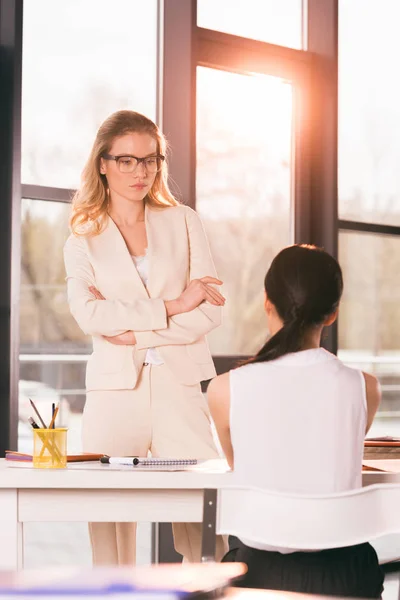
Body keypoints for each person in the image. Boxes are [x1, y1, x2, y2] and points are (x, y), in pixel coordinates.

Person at [63, 109, 228, 565]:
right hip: (114, 390)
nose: (141, 171)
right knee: (109, 521)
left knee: (204, 510)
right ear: (103, 163)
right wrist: (174, 305)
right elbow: (89, 314)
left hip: (180, 385)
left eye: (151, 159)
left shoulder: (184, 220)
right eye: (127, 161)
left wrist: (132, 333)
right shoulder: (83, 237)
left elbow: (211, 311)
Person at [207, 244, 384, 598]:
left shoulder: (224, 389)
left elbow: (238, 465)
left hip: (257, 576)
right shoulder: (364, 387)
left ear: (266, 301)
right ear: (333, 313)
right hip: (346, 578)